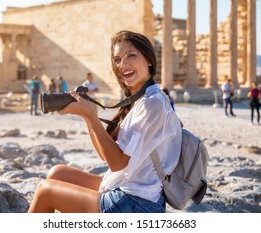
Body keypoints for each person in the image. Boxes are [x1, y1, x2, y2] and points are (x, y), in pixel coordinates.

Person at [28, 30, 182, 213]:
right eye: (117, 59)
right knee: (57, 173)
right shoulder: (141, 99)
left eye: (131, 56)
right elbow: (106, 156)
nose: (122, 65)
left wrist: (93, 116)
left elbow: (117, 163)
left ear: (148, 59)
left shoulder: (152, 104)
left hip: (139, 203)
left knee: (45, 191)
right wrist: (86, 115)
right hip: (126, 184)